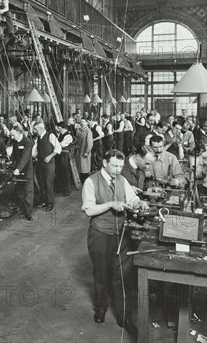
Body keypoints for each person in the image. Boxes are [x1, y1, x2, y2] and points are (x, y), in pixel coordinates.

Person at [81, 149, 148, 336]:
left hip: (121, 234)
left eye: (120, 166)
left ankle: (124, 316)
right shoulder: (91, 181)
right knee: (101, 272)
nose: (118, 169)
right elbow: (88, 210)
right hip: (100, 234)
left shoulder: (121, 179)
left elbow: (131, 197)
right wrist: (111, 204)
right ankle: (101, 307)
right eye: (114, 165)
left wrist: (138, 203)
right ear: (104, 163)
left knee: (123, 274)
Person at [32, 121, 61, 211]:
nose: (34, 131)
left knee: (49, 184)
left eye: (35, 129)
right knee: (42, 183)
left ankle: (50, 203)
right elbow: (35, 151)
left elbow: (58, 148)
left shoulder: (51, 136)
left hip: (49, 164)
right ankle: (44, 201)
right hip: (40, 164)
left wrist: (50, 156)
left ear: (41, 128)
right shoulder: (38, 138)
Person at [10, 125, 34, 220]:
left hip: (27, 169)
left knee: (28, 191)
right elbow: (14, 154)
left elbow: (25, 157)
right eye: (11, 135)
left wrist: (18, 169)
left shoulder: (27, 142)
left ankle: (28, 214)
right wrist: (10, 162)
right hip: (18, 169)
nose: (12, 137)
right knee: (19, 190)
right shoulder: (15, 141)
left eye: (13, 135)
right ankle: (21, 208)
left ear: (19, 132)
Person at [55, 122, 74, 196]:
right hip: (59, 154)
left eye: (59, 128)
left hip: (64, 155)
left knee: (65, 172)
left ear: (62, 128)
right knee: (59, 172)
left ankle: (67, 190)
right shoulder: (60, 135)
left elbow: (62, 144)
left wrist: (56, 144)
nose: (58, 129)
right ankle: (60, 188)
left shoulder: (68, 136)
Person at [76, 118, 93, 183]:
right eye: (81, 122)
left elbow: (90, 144)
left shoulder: (88, 131)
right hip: (79, 151)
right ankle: (81, 180)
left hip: (85, 152)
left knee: (85, 167)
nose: (82, 123)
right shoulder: (79, 130)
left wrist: (86, 152)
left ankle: (86, 181)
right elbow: (77, 139)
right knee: (80, 166)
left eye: (83, 122)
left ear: (86, 123)